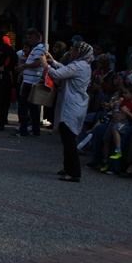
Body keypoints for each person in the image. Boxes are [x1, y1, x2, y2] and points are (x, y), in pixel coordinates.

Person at [42, 40, 93, 182]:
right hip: (75, 104)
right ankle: (68, 167)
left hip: (72, 106)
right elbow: (65, 70)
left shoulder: (79, 66)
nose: (71, 52)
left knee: (69, 139)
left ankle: (74, 172)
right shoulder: (82, 65)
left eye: (74, 50)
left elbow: (57, 75)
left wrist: (45, 65)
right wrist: (53, 62)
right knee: (66, 138)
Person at [12, 28, 47, 137]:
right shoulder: (35, 48)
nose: (29, 40)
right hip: (29, 79)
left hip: (32, 81)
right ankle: (35, 130)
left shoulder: (39, 48)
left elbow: (37, 63)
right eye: (27, 38)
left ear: (38, 38)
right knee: (32, 107)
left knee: (24, 106)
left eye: (31, 37)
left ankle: (23, 130)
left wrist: (24, 66)